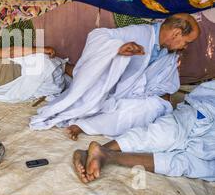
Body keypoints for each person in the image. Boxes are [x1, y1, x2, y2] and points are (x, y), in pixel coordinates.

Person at [30, 14, 200, 139]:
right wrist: (117, 47)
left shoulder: (170, 53)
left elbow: (165, 83)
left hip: (133, 96)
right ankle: (85, 119)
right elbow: (97, 36)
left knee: (153, 108)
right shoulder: (141, 33)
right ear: (176, 33)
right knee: (93, 103)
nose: (185, 47)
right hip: (107, 89)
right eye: (187, 42)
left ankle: (85, 124)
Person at [72, 80, 215, 183]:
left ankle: (105, 155)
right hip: (204, 115)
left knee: (182, 165)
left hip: (210, 151)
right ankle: (97, 152)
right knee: (164, 135)